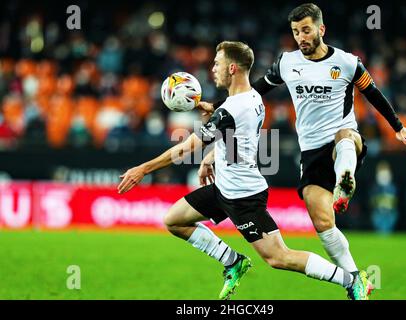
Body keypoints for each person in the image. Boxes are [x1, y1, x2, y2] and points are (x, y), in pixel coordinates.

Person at [118, 41, 371, 300]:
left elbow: (186, 148)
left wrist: (143, 168)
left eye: (216, 64)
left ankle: (351, 280)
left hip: (244, 196)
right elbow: (240, 136)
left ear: (232, 68)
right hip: (223, 186)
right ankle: (232, 261)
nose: (212, 69)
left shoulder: (231, 109)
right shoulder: (251, 98)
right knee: (174, 221)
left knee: (279, 257)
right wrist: (213, 154)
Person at [197, 3, 406, 286]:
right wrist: (219, 107)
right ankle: (356, 280)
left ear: (321, 29)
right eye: (296, 32)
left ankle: (345, 178)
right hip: (311, 152)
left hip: (344, 140)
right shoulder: (287, 63)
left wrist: (398, 127)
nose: (301, 37)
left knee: (345, 136)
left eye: (306, 30)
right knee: (323, 224)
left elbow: (373, 92)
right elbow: (254, 90)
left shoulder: (346, 62)